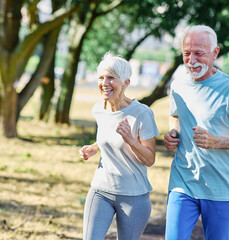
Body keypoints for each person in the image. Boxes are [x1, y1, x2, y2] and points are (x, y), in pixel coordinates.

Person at [164, 25, 229, 240]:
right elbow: (175, 115)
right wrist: (173, 132)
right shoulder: (178, 85)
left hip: (222, 189)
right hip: (183, 182)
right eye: (186, 53)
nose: (191, 60)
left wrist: (215, 141)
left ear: (215, 53)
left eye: (199, 53)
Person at [79, 52, 159, 240]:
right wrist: (94, 147)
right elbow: (108, 134)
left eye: (111, 78)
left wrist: (131, 140)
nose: (105, 83)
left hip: (133, 196)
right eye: (101, 77)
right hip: (100, 190)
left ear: (126, 83)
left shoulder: (142, 113)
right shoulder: (99, 109)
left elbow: (149, 159)